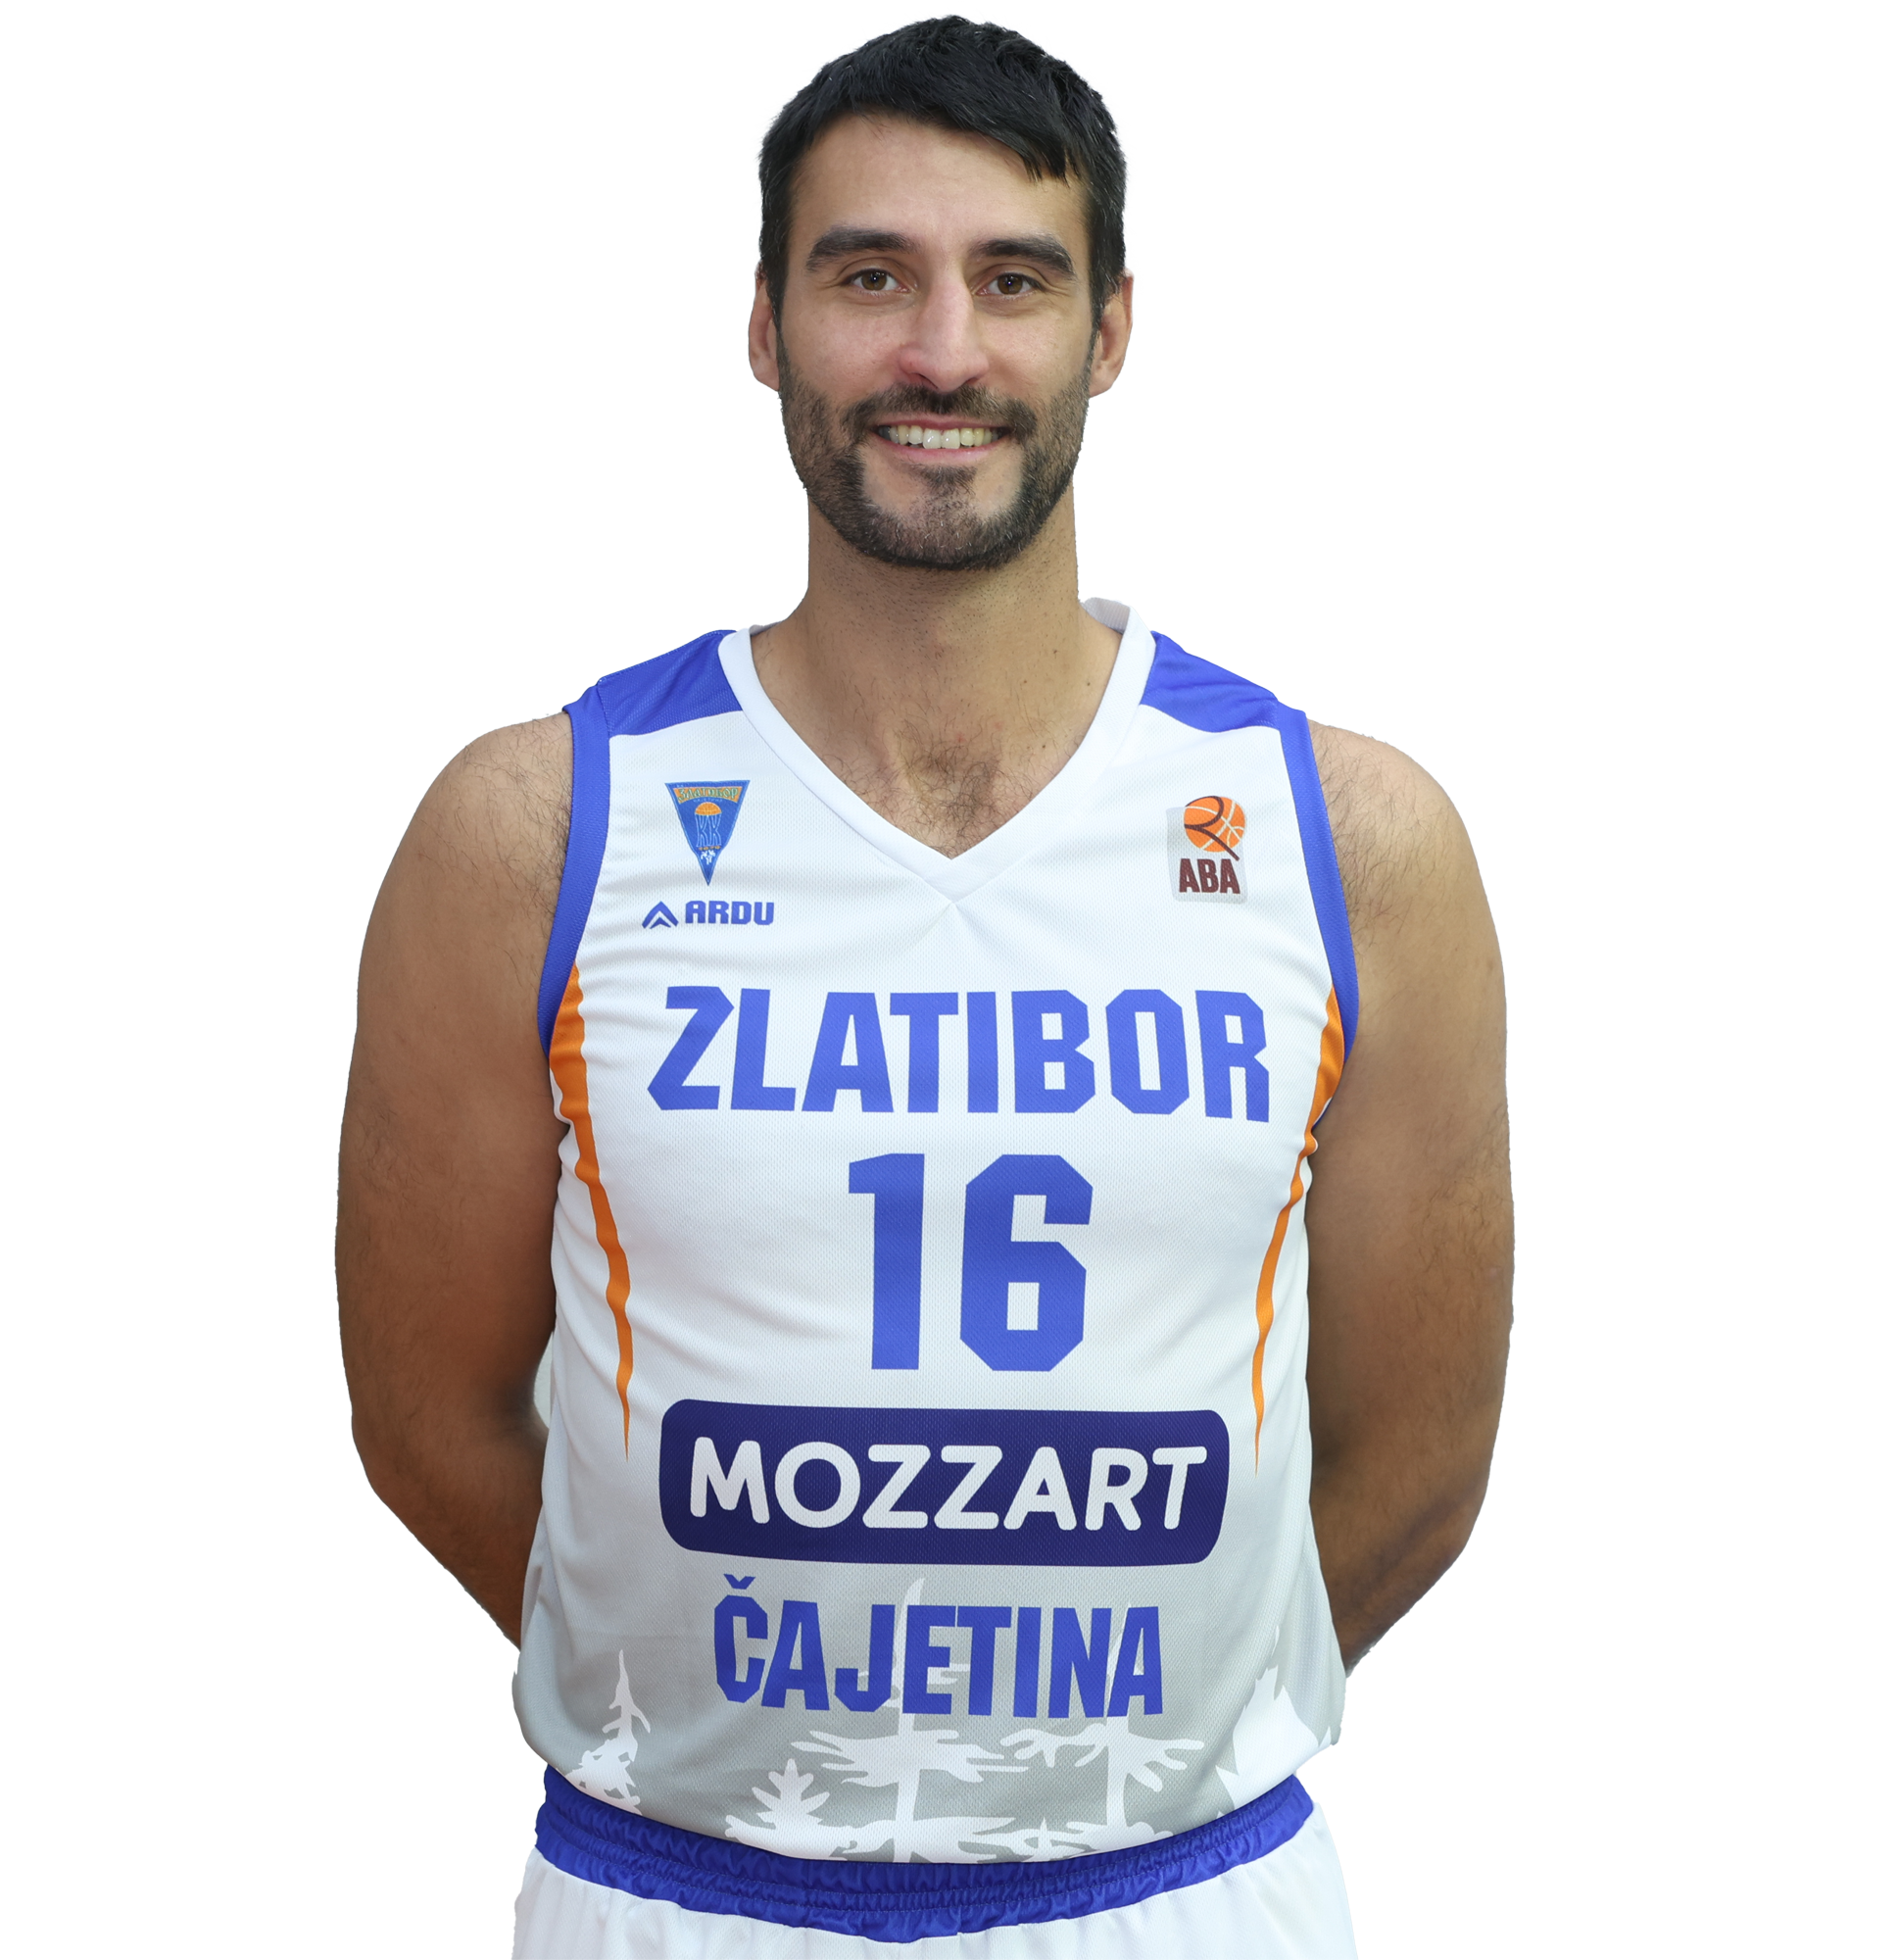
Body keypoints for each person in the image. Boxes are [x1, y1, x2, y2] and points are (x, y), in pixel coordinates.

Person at [338, 16, 1511, 1956]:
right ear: (765, 324)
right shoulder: (539, 831)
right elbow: (425, 1416)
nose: (942, 352)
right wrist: (696, 1695)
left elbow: (1420, 1461)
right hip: (681, 1893)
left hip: (1179, 1895)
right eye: (869, 276)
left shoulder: (1348, 841)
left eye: (1014, 281)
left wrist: (1130, 1743)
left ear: (1109, 330)